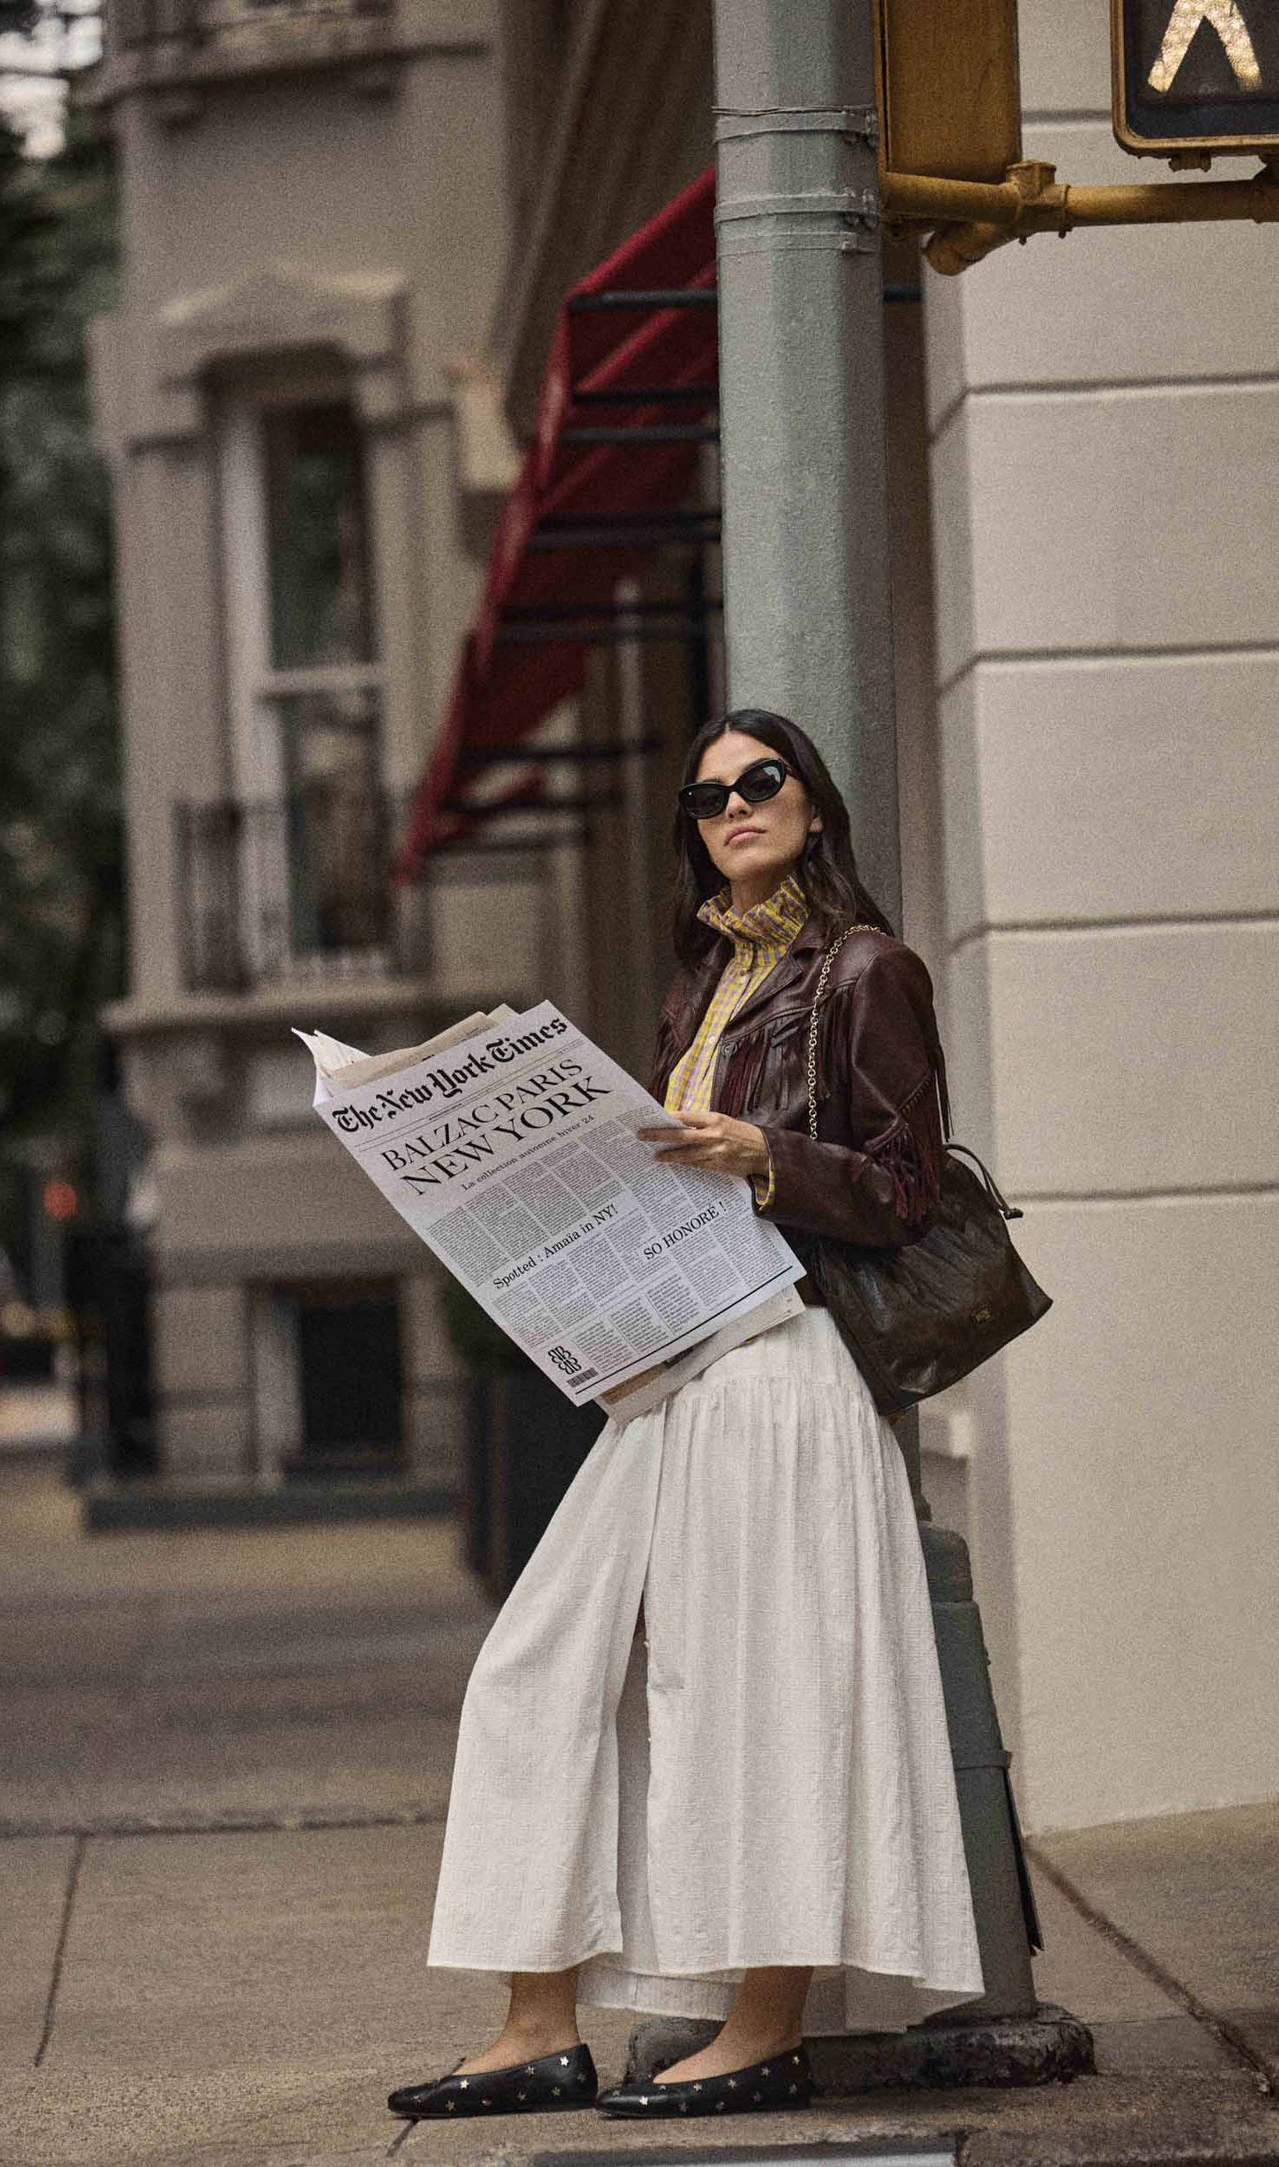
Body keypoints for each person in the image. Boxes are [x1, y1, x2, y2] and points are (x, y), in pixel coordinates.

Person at [387, 709, 984, 2123]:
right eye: (708, 794)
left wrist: (762, 1156)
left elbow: (903, 1188)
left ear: (812, 804)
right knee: (538, 1667)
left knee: (758, 1694)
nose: (733, 805)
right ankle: (537, 2022)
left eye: (759, 781)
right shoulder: (705, 977)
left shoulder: (865, 972)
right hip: (670, 1366)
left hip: (782, 1364)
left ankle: (761, 2024)